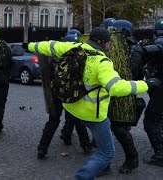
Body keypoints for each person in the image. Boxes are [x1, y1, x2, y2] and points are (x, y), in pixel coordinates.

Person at [25, 26, 151, 179]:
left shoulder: (73, 47)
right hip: (93, 115)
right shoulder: (102, 62)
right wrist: (146, 84)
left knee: (97, 143)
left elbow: (50, 46)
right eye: (109, 43)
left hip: (71, 106)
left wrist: (30, 45)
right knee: (107, 153)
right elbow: (116, 87)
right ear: (104, 43)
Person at [104, 19, 146, 174]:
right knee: (108, 127)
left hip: (124, 95)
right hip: (112, 92)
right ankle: (106, 161)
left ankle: (132, 159)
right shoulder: (122, 48)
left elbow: (132, 73)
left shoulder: (134, 50)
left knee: (118, 127)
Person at [131, 18, 163, 167]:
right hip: (157, 89)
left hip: (160, 90)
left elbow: (158, 47)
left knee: (150, 121)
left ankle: (160, 155)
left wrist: (141, 50)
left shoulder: (157, 44)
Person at [58, 32, 94, 154]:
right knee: (78, 119)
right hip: (74, 91)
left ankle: (66, 134)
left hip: (64, 91)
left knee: (70, 116)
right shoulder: (78, 56)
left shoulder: (62, 57)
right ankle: (85, 144)